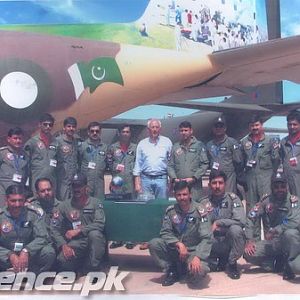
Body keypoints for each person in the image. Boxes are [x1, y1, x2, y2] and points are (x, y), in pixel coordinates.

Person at [148, 181, 212, 287]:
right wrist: (178, 244)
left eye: (185, 194)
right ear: (175, 195)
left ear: (190, 194)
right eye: (179, 195)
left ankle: (185, 268)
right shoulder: (171, 211)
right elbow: (165, 232)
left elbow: (207, 237)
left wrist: (198, 256)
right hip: (176, 250)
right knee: (154, 244)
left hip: (193, 251)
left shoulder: (200, 211)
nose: (182, 197)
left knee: (199, 272)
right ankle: (172, 269)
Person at [244, 172, 300, 276]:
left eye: (282, 186)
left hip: (291, 243)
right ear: (271, 187)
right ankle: (275, 264)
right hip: (274, 243)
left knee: (290, 234)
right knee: (248, 254)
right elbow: (251, 217)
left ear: (287, 186)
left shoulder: (294, 202)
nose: (280, 189)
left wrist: (275, 230)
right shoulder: (266, 201)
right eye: (276, 187)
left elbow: (294, 221)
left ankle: (289, 263)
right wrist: (249, 240)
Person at [50, 173, 106, 273]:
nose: (76, 189)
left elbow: (100, 223)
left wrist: (79, 230)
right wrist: (63, 245)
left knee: (95, 234)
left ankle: (93, 267)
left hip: (91, 240)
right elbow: (54, 228)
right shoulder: (64, 206)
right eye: (74, 186)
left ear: (86, 187)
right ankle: (81, 263)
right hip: (76, 242)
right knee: (63, 261)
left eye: (79, 186)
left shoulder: (95, 203)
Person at [199, 170, 246, 279]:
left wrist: (219, 222)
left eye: (220, 183)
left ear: (225, 184)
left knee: (236, 230)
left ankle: (232, 262)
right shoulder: (203, 203)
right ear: (209, 185)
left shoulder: (233, 199)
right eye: (214, 183)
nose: (217, 186)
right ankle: (214, 261)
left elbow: (241, 221)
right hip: (212, 241)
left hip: (227, 240)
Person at [240, 115, 280, 240]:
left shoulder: (270, 142)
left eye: (257, 125)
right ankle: (255, 244)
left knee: (268, 212)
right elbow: (241, 162)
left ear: (261, 125)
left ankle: (270, 244)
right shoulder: (244, 143)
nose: (254, 128)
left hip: (266, 182)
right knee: (253, 213)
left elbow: (276, 161)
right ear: (249, 127)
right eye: (252, 126)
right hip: (251, 182)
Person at [0, 184, 55, 273]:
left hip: (28, 257)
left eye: (20, 200)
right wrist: (9, 254)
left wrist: (27, 250)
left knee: (48, 252)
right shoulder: (1, 216)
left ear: (25, 200)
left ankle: (32, 274)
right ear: (6, 200)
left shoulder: (33, 214)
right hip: (5, 258)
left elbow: (43, 237)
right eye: (13, 201)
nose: (17, 204)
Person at [108, 125, 137, 250]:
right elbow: (108, 162)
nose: (125, 134)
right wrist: (116, 168)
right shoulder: (113, 148)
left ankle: (130, 238)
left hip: (130, 182)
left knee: (130, 211)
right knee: (118, 211)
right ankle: (118, 238)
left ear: (130, 134)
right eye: (123, 132)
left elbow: (138, 164)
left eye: (127, 132)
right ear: (119, 133)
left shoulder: (135, 148)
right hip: (117, 181)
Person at [168, 121, 209, 201]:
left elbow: (205, 164)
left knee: (196, 207)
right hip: (180, 186)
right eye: (181, 131)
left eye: (186, 130)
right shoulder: (175, 147)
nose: (183, 133)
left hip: (195, 186)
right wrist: (174, 178)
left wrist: (194, 177)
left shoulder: (199, 145)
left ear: (191, 131)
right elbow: (170, 165)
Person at [133, 119, 172, 200]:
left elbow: (171, 163)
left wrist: (170, 183)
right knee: (146, 206)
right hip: (145, 180)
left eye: (157, 127)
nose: (154, 129)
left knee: (161, 206)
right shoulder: (142, 144)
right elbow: (138, 164)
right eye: (152, 127)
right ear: (148, 129)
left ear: (160, 129)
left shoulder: (167, 142)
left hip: (161, 179)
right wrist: (137, 183)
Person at [206, 116, 243, 193]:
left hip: (228, 177)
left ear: (225, 128)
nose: (218, 129)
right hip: (214, 176)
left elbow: (238, 161)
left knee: (229, 197)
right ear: (213, 129)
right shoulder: (209, 145)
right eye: (216, 126)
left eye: (221, 126)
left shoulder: (232, 142)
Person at [24, 113, 58, 194]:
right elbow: (25, 164)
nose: (48, 127)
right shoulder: (32, 142)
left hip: (51, 179)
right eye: (45, 124)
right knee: (36, 203)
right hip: (37, 178)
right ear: (39, 124)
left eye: (50, 125)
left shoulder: (56, 142)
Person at [0, 127, 29, 206]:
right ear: (9, 139)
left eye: (20, 138)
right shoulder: (2, 153)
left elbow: (26, 174)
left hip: (18, 192)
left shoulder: (25, 155)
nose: (18, 141)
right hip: (3, 191)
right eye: (15, 138)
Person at [79, 122, 108, 199]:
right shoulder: (82, 146)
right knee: (85, 205)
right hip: (86, 183)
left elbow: (108, 164)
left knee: (99, 205)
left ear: (100, 132)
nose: (95, 133)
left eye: (97, 131)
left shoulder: (105, 147)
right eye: (92, 131)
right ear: (88, 132)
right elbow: (77, 163)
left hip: (99, 183)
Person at [55, 117, 80, 201]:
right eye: (69, 126)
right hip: (62, 180)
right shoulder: (57, 142)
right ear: (64, 128)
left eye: (73, 127)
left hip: (73, 180)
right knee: (62, 203)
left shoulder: (76, 142)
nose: (71, 129)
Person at [280, 110, 300, 197]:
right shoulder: (283, 142)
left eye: (295, 124)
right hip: (288, 178)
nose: (292, 127)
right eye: (289, 124)